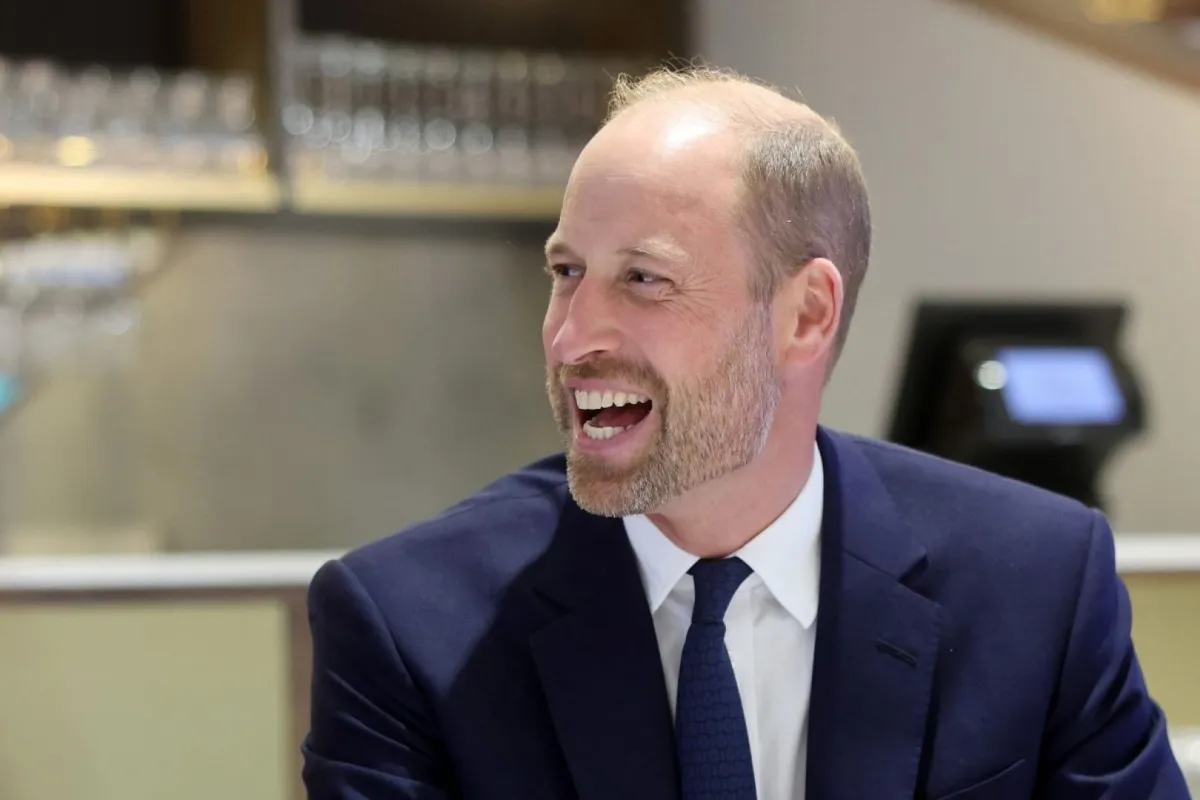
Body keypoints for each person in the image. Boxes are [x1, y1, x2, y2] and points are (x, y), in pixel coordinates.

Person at [301, 66, 1190, 800]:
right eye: (566, 273)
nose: (573, 336)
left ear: (806, 314)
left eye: (644, 279)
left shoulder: (1039, 583)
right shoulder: (407, 626)